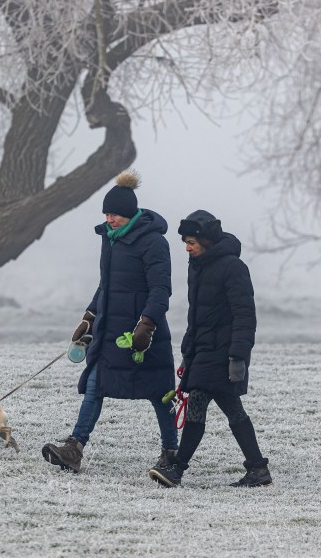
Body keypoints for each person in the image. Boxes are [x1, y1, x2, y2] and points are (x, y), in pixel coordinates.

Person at [42, 171, 178, 473]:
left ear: (129, 214)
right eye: (106, 213)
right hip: (110, 332)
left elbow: (161, 289)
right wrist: (90, 317)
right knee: (95, 384)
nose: (109, 219)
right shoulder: (110, 239)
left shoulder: (154, 242)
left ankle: (171, 452)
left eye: (114, 214)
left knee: (160, 392)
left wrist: (147, 324)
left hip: (144, 336)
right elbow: (107, 285)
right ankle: (74, 448)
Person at [149, 210, 272, 488]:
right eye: (185, 242)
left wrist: (238, 357)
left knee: (199, 405)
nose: (187, 247)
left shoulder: (233, 267)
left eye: (191, 242)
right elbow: (197, 315)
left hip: (223, 354)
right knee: (232, 410)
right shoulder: (198, 266)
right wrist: (188, 350)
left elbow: (245, 315)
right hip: (203, 351)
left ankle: (177, 469)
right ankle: (258, 469)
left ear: (205, 240)